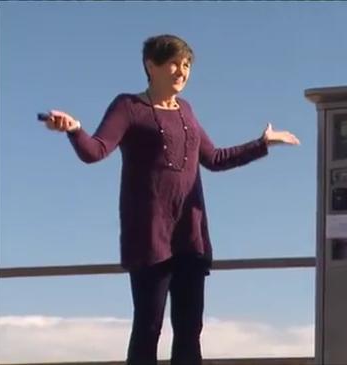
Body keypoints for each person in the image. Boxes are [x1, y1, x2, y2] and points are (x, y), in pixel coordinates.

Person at [42, 34, 300, 365]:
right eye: (174, 64)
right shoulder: (128, 106)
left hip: (189, 236)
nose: (182, 71)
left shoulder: (187, 111)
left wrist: (263, 143)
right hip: (149, 236)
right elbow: (96, 151)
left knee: (190, 329)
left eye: (187, 65)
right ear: (152, 66)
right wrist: (74, 129)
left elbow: (215, 158)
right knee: (148, 328)